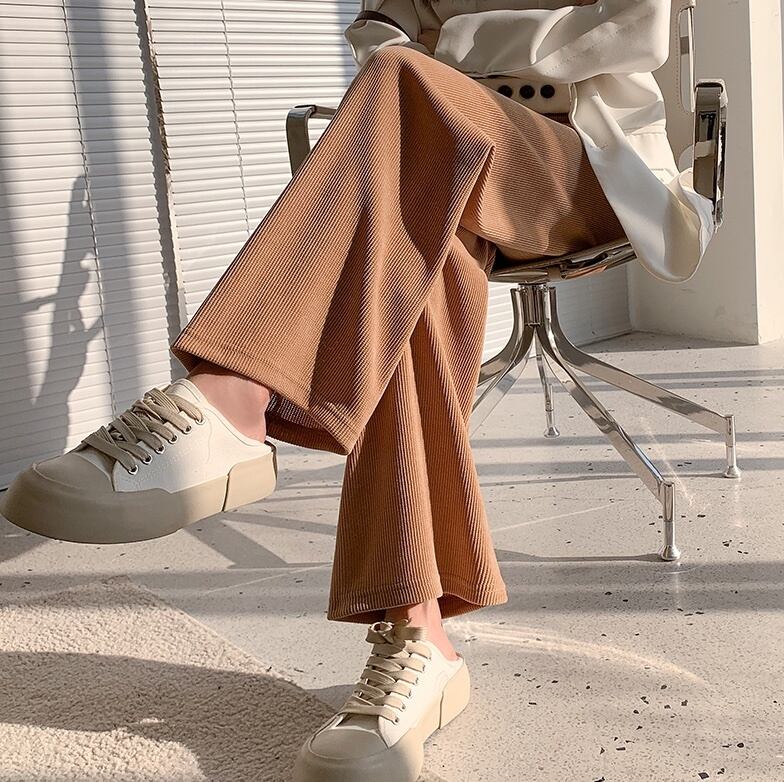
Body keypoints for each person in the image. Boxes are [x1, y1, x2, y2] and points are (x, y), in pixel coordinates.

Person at [1, 2, 695, 780]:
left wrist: (448, 51)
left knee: (409, 86)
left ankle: (235, 395)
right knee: (410, 258)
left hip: (582, 164)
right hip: (445, 156)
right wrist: (441, 62)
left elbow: (628, 29)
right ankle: (419, 634)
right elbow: (376, 32)